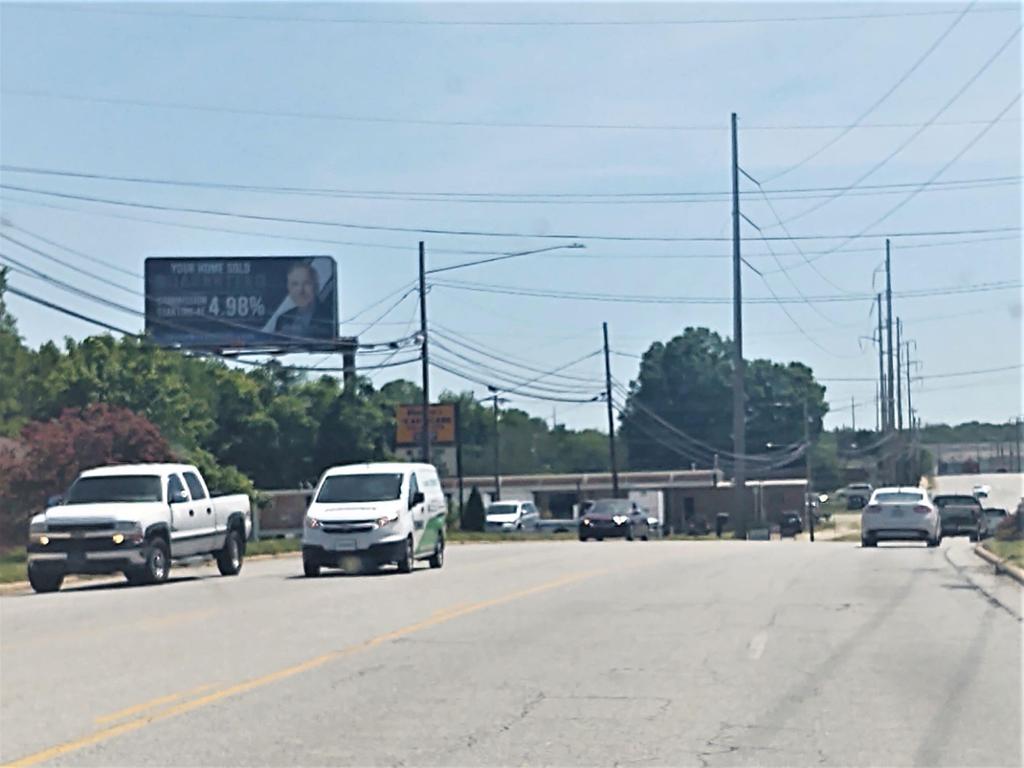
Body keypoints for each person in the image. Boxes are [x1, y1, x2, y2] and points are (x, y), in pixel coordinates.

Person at [273, 262, 335, 339]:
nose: (300, 291)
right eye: (295, 284)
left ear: (316, 286)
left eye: (307, 283)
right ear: (288, 288)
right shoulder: (282, 319)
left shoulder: (331, 317)